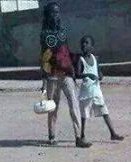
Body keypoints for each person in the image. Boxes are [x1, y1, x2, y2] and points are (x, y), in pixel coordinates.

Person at [39, 2, 91, 148]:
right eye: (52, 12)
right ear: (47, 15)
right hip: (52, 76)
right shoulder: (44, 35)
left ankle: (79, 137)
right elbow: (44, 58)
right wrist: (44, 81)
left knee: (74, 104)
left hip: (66, 74)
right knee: (53, 107)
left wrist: (72, 69)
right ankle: (52, 136)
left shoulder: (63, 31)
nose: (55, 15)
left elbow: (66, 51)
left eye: (57, 12)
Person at [75, 35, 124, 142]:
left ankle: (113, 133)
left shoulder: (95, 58)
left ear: (92, 46)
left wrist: (100, 75)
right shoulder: (80, 59)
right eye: (82, 43)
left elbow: (98, 70)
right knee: (84, 115)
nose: (84, 45)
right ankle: (82, 135)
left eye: (87, 43)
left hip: (96, 89)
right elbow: (77, 74)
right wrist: (88, 75)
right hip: (86, 91)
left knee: (104, 111)